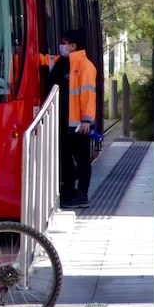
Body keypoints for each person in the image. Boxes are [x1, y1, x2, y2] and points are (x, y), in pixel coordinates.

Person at [40, 29, 97, 209]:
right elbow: (42, 59)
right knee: (65, 158)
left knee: (81, 160)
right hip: (62, 122)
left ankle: (82, 195)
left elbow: (88, 96)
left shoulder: (86, 66)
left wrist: (86, 120)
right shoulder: (62, 62)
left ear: (73, 45)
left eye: (65, 43)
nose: (61, 46)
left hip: (78, 125)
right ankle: (69, 192)